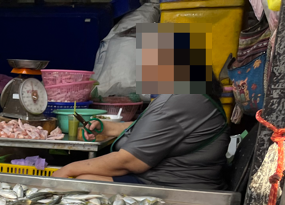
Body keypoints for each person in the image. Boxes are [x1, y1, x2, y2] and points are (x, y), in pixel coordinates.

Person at [54, 23, 229, 191]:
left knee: (84, 181)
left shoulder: (180, 98)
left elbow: (129, 161)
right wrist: (106, 127)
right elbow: (158, 131)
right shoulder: (193, 92)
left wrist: (68, 169)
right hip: (167, 180)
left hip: (177, 189)